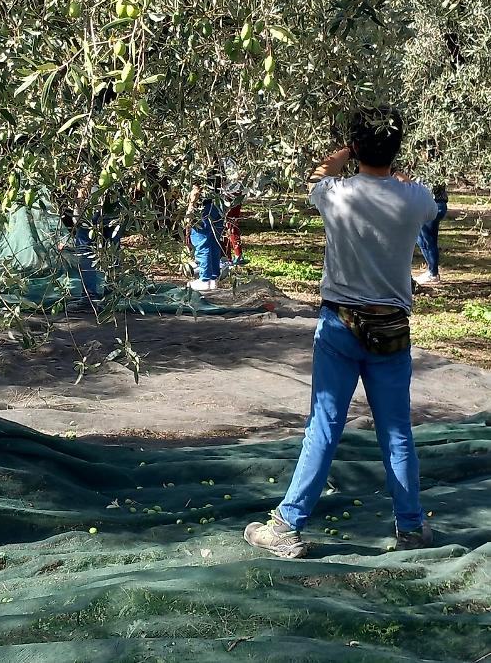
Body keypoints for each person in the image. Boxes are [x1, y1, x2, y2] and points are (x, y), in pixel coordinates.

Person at [244, 107, 439, 558]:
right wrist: (395, 168)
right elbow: (423, 202)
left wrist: (344, 154)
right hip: (391, 328)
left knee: (325, 425)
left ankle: (287, 526)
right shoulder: (415, 199)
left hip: (340, 327)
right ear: (398, 145)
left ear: (355, 147)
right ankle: (410, 528)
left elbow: (319, 174)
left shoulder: (335, 193)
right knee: (397, 432)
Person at [186, 179, 226, 292]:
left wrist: (189, 212)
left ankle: (204, 280)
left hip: (202, 209)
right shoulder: (216, 165)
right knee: (214, 242)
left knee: (202, 242)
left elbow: (195, 191)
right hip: (217, 206)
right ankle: (213, 279)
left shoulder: (198, 168)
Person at [414, 182, 448, 286]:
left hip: (432, 205)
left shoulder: (430, 176)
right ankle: (432, 271)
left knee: (428, 241)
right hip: (433, 205)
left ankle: (434, 274)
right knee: (422, 241)